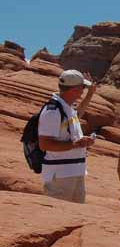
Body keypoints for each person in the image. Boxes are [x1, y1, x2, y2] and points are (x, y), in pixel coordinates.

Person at [38, 69, 96, 203]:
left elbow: (79, 113)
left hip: (74, 171)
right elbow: (44, 144)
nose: (83, 91)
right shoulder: (53, 110)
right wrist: (76, 144)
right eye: (82, 88)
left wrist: (90, 94)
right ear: (74, 90)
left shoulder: (67, 107)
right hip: (60, 175)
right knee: (57, 217)